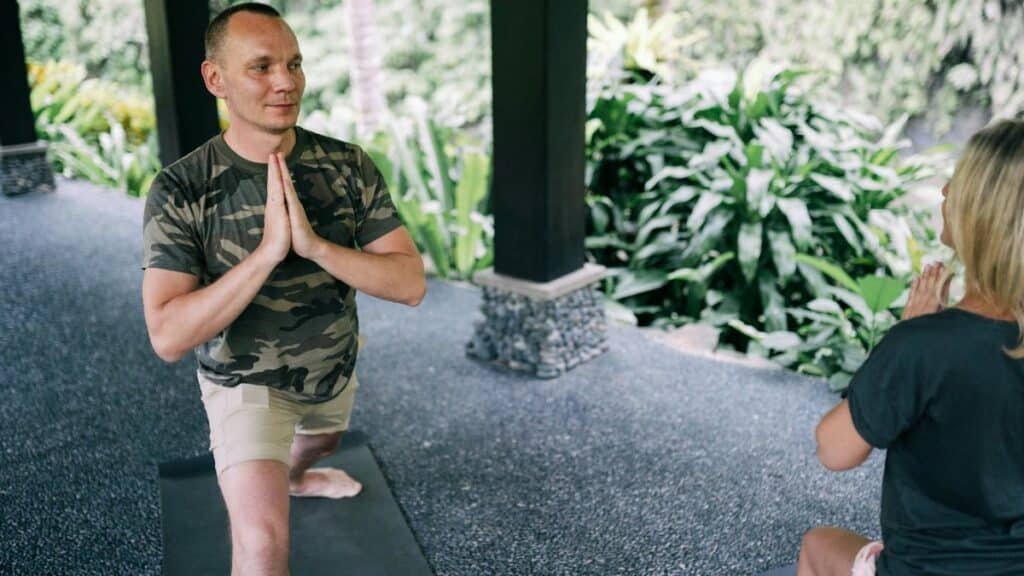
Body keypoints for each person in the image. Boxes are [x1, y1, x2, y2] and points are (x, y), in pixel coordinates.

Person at [140, 3, 426, 574]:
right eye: (262, 66)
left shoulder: (346, 165)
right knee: (262, 546)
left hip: (331, 365)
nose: (285, 83)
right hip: (243, 381)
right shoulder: (181, 189)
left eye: (294, 64)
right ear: (214, 78)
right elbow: (168, 336)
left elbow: (411, 283)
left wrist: (317, 247)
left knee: (321, 441)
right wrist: (269, 252)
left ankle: (297, 474)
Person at [798, 118, 1024, 575]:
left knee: (817, 546)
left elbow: (834, 450)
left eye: (958, 182)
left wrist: (904, 338)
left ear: (981, 215)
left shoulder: (922, 347)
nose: (944, 191)